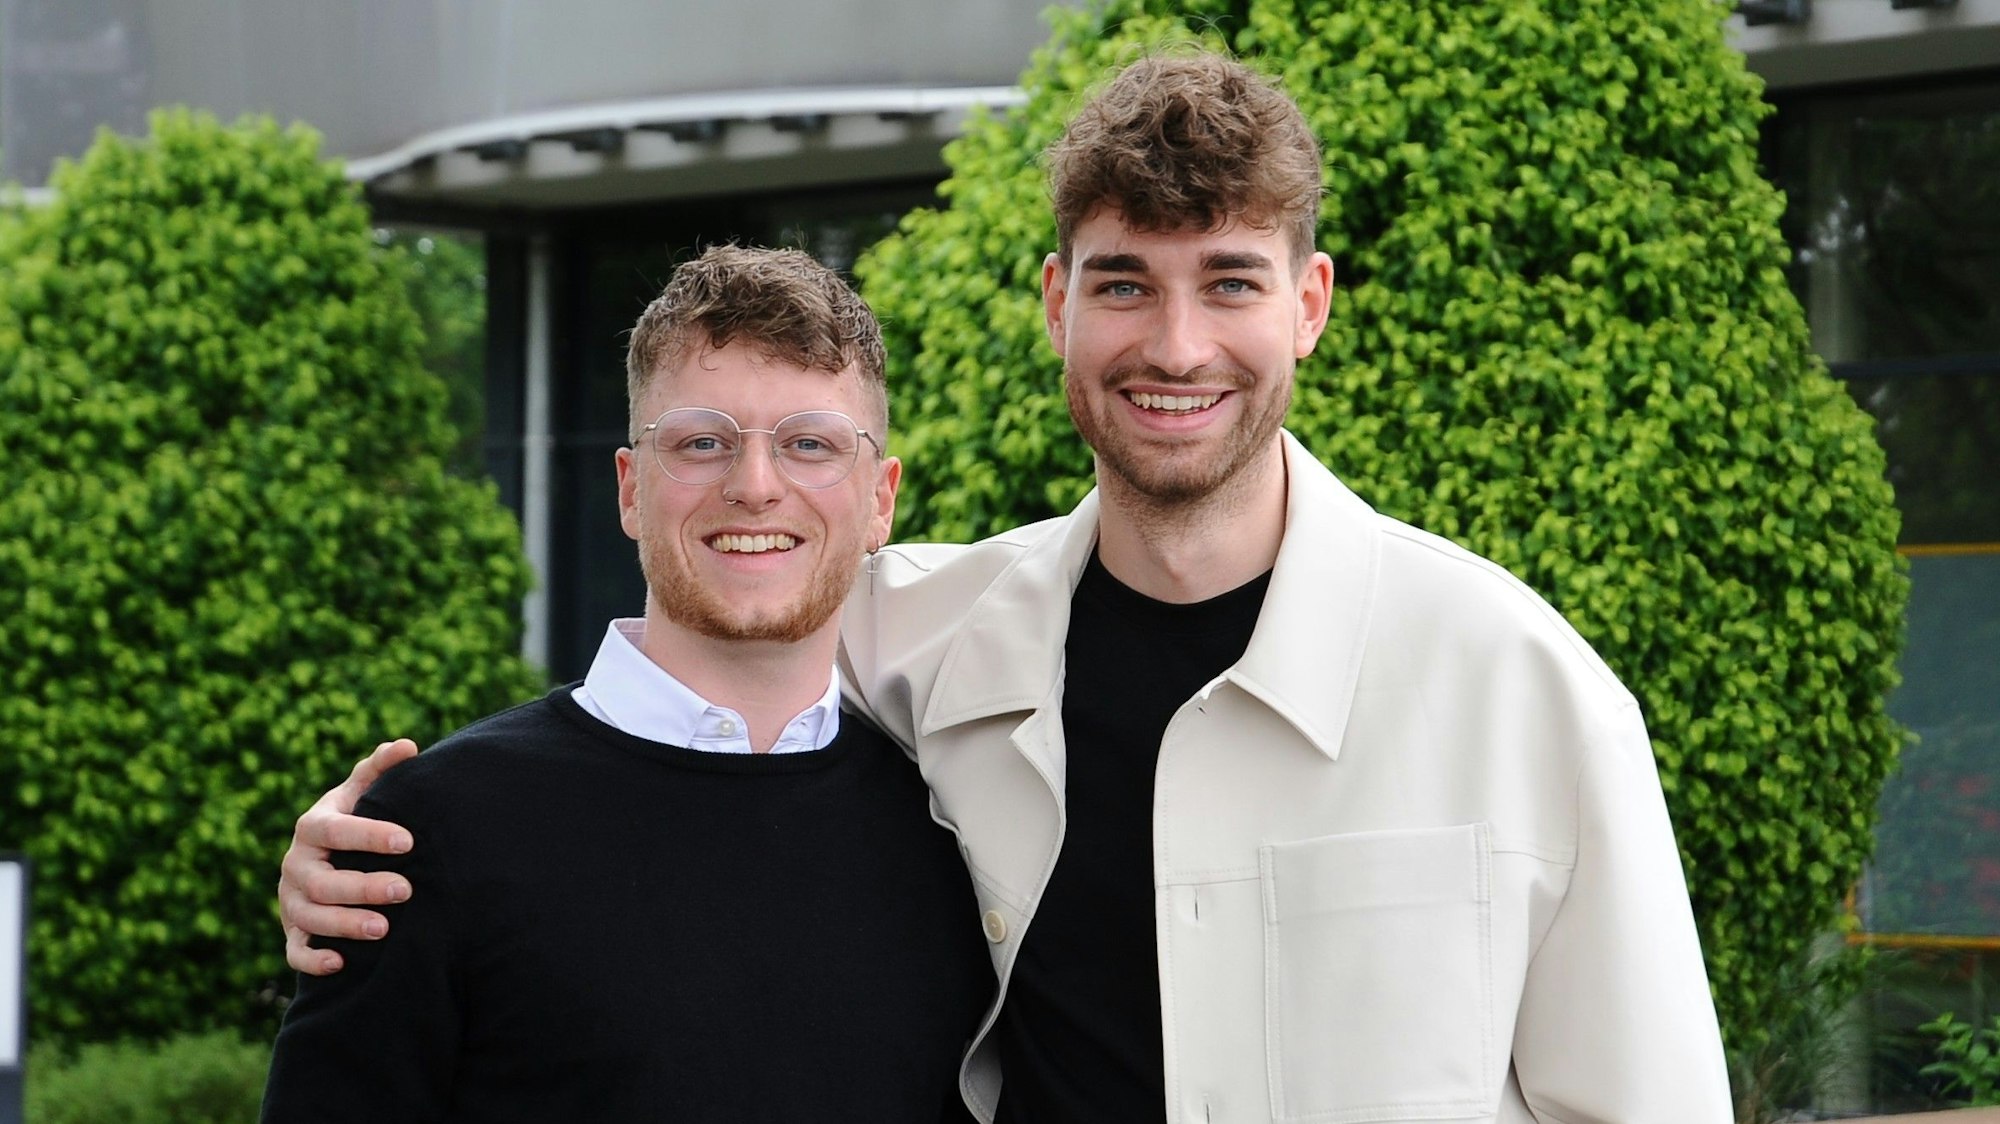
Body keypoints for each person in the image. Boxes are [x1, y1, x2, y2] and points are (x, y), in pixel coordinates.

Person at [281, 52, 1733, 1123]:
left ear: (1309, 304)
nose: (1176, 344)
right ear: (1056, 304)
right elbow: (706, 670)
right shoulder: (919, 639)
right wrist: (397, 845)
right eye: (1123, 282)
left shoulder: (1522, 687)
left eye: (1230, 281)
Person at [260, 245, 992, 1122]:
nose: (755, 486)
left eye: (810, 444)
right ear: (630, 489)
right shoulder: (426, 834)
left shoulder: (952, 831)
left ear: (880, 499)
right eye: (702, 442)